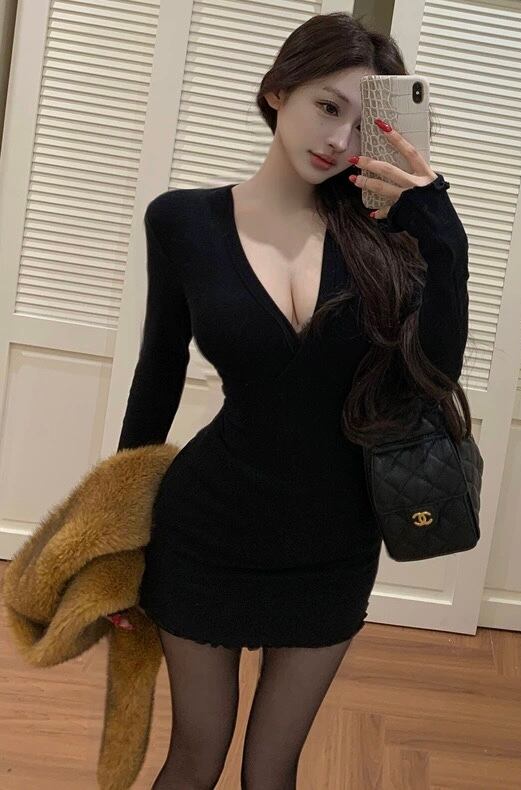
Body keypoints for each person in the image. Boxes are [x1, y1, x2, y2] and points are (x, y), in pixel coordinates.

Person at [108, 11, 471, 790]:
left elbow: (434, 374)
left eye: (361, 122)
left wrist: (438, 226)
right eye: (326, 106)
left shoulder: (389, 234)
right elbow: (158, 371)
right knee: (195, 757)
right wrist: (115, 532)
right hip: (206, 531)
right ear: (278, 91)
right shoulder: (183, 222)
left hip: (334, 544)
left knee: (272, 772)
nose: (338, 140)